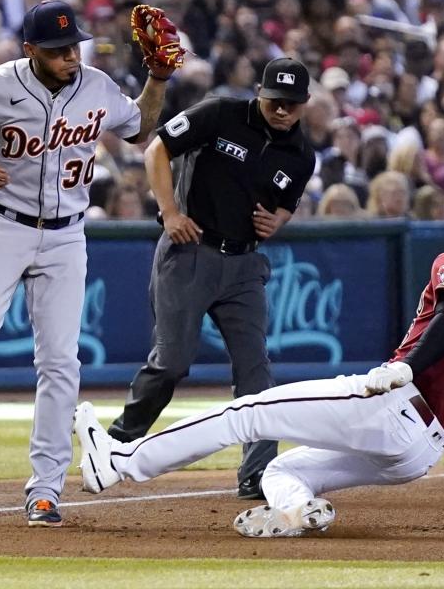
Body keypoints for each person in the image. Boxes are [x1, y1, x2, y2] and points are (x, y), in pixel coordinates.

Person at [75, 164, 444, 538]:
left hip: (391, 407)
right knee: (281, 468)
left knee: (245, 414)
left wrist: (406, 369)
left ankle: (117, 464)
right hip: (422, 453)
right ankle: (296, 510)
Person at [0, 0, 175, 527]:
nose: (69, 56)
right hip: (1, 225)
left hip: (65, 236)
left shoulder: (95, 85)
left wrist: (159, 78)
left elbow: (138, 129)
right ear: (30, 51)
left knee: (60, 361)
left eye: (73, 45)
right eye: (56, 50)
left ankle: (47, 489)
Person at [105, 57, 316, 500]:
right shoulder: (219, 114)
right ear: (260, 92)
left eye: (291, 104)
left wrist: (277, 220)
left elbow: (287, 202)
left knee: (255, 369)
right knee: (173, 361)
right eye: (275, 101)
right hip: (191, 251)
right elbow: (156, 148)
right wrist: (169, 212)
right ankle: (118, 443)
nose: (281, 111)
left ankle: (257, 472)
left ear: (304, 104)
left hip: (244, 265)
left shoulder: (301, 154)